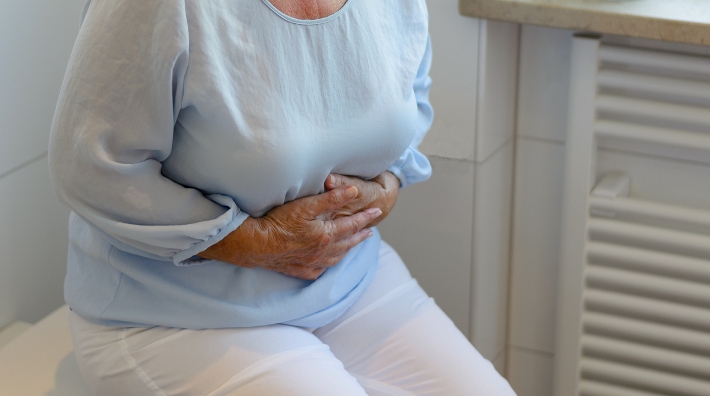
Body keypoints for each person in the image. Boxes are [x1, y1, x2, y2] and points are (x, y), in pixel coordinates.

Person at [49, 0, 517, 394]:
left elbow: (410, 99)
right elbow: (89, 165)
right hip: (173, 312)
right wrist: (257, 241)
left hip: (348, 279)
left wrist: (385, 188)